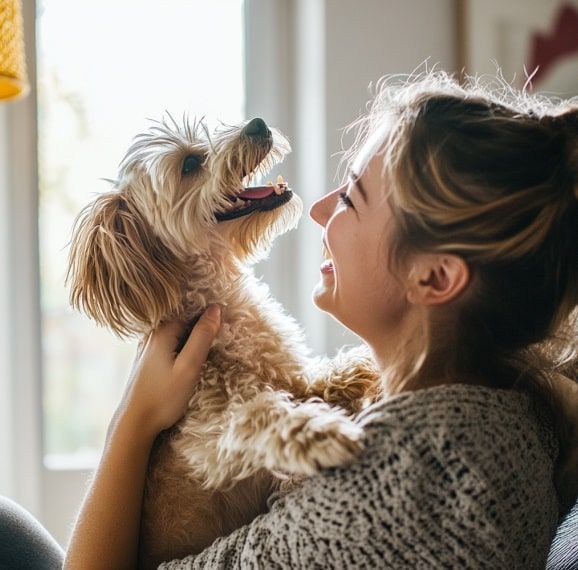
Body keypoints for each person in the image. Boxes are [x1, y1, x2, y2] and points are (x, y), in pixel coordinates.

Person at [3, 69, 578, 568]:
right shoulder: (500, 403)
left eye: (351, 198)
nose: (321, 208)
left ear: (436, 277)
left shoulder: (401, 489)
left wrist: (130, 427)